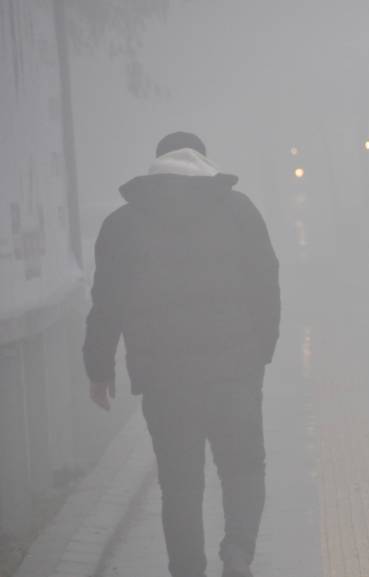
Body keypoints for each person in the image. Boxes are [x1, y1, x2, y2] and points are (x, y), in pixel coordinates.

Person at [83, 132, 280, 577]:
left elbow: (107, 301)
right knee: (244, 466)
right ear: (204, 162)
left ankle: (187, 570)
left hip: (165, 379)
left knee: (179, 483)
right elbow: (266, 282)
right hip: (234, 371)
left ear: (157, 166)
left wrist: (98, 368)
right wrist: (260, 353)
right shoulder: (239, 211)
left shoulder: (123, 224)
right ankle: (238, 552)